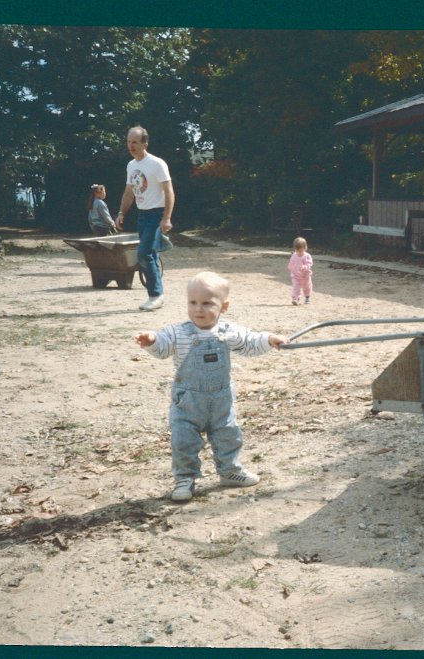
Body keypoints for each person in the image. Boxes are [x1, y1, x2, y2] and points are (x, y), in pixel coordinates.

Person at [135, 271, 288, 502]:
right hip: (188, 401)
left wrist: (269, 340)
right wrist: (152, 341)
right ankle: (184, 479)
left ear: (224, 306)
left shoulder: (228, 331)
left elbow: (250, 342)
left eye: (207, 303)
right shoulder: (178, 332)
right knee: (183, 439)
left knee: (228, 434)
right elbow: (163, 347)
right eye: (193, 302)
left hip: (221, 399)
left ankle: (230, 471)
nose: (198, 309)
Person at [115, 126, 174, 311]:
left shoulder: (157, 164)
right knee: (151, 254)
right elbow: (128, 192)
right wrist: (121, 213)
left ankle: (155, 295)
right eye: (128, 142)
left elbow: (169, 191)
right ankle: (158, 293)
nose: (131, 146)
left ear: (144, 144)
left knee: (143, 253)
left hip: (156, 214)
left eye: (135, 142)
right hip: (142, 214)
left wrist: (166, 218)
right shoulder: (131, 166)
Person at [287, 236, 313, 305]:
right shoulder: (294, 255)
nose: (299, 252)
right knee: (296, 287)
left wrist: (304, 267)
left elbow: (309, 264)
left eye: (301, 251)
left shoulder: (307, 256)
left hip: (305, 276)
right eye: (297, 251)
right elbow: (291, 262)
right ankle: (295, 298)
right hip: (295, 275)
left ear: (305, 248)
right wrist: (290, 267)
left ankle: (307, 297)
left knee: (307, 287)